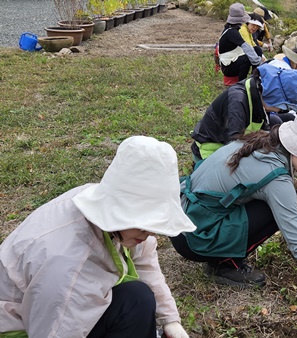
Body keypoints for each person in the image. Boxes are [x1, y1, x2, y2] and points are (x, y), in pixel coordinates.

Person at [173, 110, 297, 318]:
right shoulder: (277, 179)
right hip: (194, 239)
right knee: (272, 213)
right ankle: (224, 265)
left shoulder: (261, 141)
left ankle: (222, 255)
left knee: (276, 208)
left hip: (182, 215)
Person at [0, 136, 197, 338]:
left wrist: (170, 321)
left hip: (53, 310)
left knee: (137, 297)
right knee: (133, 301)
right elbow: (56, 330)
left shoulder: (114, 216)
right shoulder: (71, 264)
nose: (151, 234)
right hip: (23, 327)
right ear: (120, 212)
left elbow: (145, 264)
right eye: (146, 223)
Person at [190, 63, 297, 163]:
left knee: (275, 122)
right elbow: (232, 148)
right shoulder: (237, 102)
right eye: (282, 107)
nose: (281, 111)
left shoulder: (257, 93)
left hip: (236, 143)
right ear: (273, 96)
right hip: (213, 151)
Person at [218, 2, 264, 83]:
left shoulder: (234, 28)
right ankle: (242, 83)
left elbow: (252, 46)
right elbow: (246, 47)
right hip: (227, 67)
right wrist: (258, 62)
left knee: (257, 50)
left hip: (234, 59)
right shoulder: (231, 32)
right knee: (246, 58)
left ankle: (254, 77)